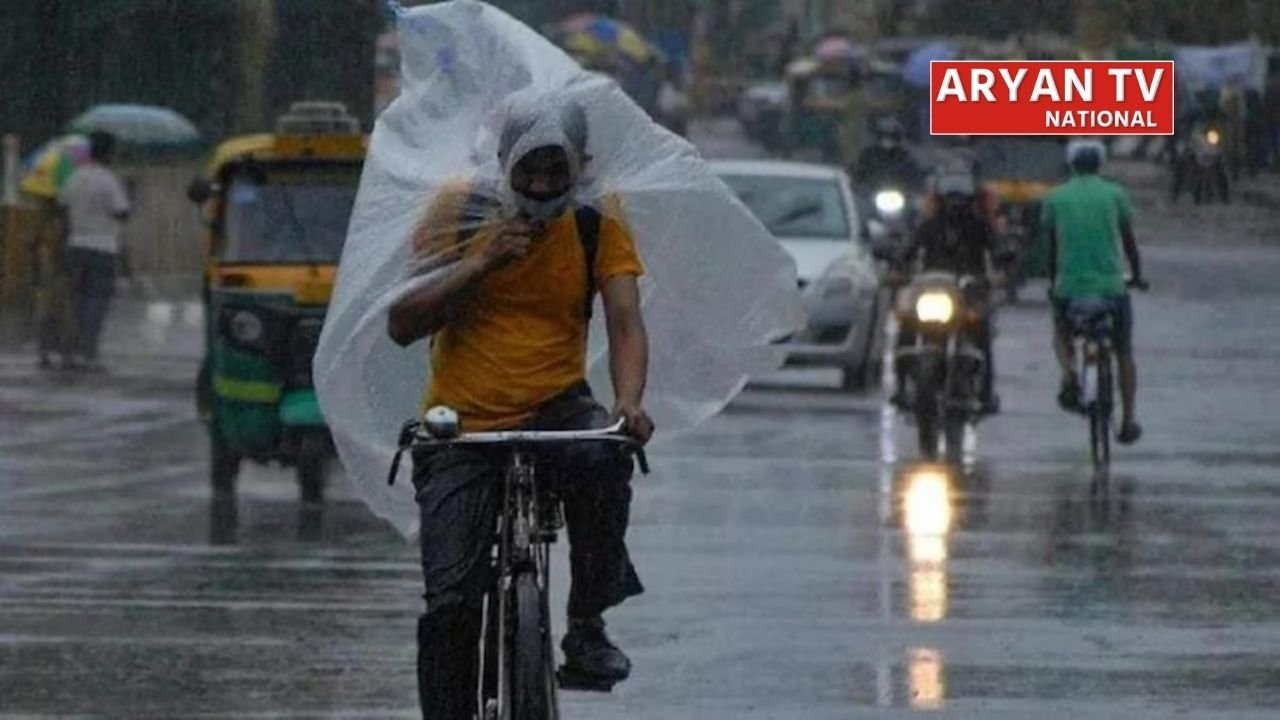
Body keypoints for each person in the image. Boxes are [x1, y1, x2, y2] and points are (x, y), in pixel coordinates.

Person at [386, 93, 653, 719]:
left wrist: (629, 402)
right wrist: (480, 262)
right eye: (528, 169)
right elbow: (402, 322)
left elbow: (625, 319)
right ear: (504, 161)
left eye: (556, 171)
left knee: (605, 457)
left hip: (557, 407)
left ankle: (586, 624)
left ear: (581, 167)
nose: (540, 184)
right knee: (452, 602)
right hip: (462, 424)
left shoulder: (595, 217)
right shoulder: (459, 209)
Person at [1040, 140, 1147, 444]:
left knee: (1061, 332)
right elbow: (1129, 242)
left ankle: (1069, 374)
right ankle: (1128, 420)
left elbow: (1052, 248)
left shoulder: (1055, 197)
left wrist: (1054, 283)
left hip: (1070, 288)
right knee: (1123, 351)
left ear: (1071, 165)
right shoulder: (1115, 194)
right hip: (1112, 289)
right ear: (1100, 164)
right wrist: (1137, 276)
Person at [891, 170, 1001, 415]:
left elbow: (998, 249)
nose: (955, 205)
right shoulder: (929, 226)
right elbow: (909, 248)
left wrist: (1001, 264)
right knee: (906, 325)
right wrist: (897, 266)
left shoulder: (979, 226)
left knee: (981, 331)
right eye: (951, 198)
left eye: (960, 199)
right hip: (931, 289)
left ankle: (985, 392)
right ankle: (900, 386)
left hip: (970, 291)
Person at [57, 131, 130, 372]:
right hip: (103, 247)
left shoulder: (75, 177)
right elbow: (122, 212)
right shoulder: (108, 180)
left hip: (76, 245)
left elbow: (62, 206)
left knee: (75, 300)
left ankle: (69, 353)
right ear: (109, 153)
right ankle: (89, 354)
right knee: (96, 302)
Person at [853, 116, 924, 191]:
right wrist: (863, 186)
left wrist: (914, 185)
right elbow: (859, 175)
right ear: (878, 137)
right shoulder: (868, 156)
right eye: (884, 136)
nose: (887, 140)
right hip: (874, 193)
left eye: (892, 136)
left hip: (899, 193)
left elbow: (914, 175)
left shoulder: (905, 157)